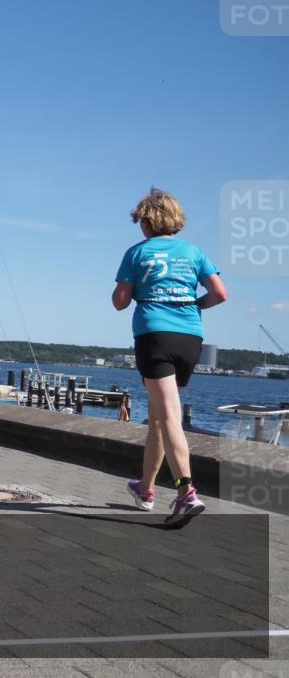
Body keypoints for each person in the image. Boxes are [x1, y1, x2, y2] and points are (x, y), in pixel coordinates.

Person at [112, 188, 227, 526]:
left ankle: (186, 492)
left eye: (141, 222)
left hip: (154, 335)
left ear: (148, 221)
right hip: (190, 338)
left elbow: (120, 301)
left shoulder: (137, 253)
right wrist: (192, 304)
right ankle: (145, 489)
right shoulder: (194, 252)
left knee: (170, 416)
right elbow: (219, 294)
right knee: (159, 415)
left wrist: (130, 289)